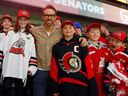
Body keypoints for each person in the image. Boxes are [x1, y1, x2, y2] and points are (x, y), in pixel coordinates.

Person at [31, 4, 88, 96]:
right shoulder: (35, 30)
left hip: (57, 72)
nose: (49, 17)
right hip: (40, 70)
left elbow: (72, 35)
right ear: (42, 17)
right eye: (46, 15)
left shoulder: (61, 30)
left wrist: (82, 37)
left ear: (55, 17)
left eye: (52, 15)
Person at [47, 20, 98, 96]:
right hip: (64, 85)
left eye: (70, 28)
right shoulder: (56, 47)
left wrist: (93, 86)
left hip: (81, 84)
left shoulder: (82, 44)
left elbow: (88, 66)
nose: (68, 30)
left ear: (74, 30)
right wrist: (53, 87)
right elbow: (54, 68)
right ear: (62, 30)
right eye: (65, 28)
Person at [0, 9, 37, 96]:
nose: (22, 21)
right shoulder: (10, 33)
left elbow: (32, 54)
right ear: (17, 20)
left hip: (21, 69)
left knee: (19, 92)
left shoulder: (30, 37)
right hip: (8, 68)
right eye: (20, 19)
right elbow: (2, 49)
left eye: (25, 19)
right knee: (5, 90)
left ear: (28, 21)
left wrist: (32, 68)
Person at [85, 23, 112, 96]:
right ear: (87, 34)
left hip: (104, 81)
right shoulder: (84, 47)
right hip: (90, 81)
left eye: (97, 32)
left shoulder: (106, 48)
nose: (95, 34)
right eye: (92, 32)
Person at [104, 31, 128, 96]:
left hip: (121, 89)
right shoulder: (106, 50)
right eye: (112, 40)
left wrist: (125, 89)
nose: (113, 43)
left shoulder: (125, 56)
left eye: (117, 42)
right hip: (107, 85)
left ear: (123, 44)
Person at [0, 14, 13, 96]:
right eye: (5, 21)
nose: (7, 23)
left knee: (6, 86)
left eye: (8, 21)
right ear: (2, 23)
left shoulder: (14, 35)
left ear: (11, 24)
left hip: (9, 63)